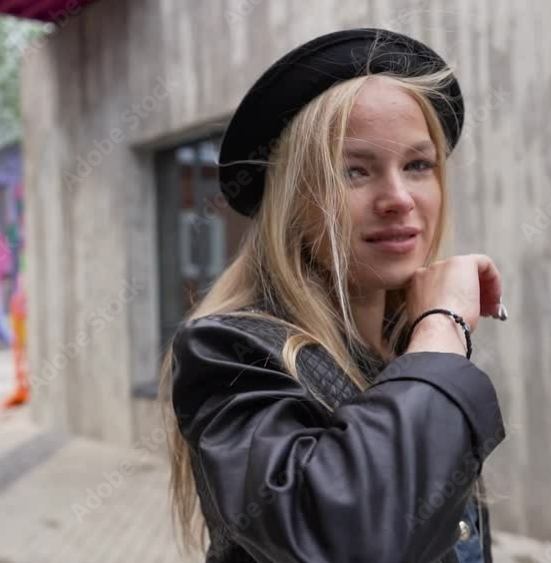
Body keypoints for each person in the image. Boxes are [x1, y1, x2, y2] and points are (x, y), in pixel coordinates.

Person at [160, 28, 509, 563]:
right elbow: (351, 540)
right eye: (354, 171)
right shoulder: (228, 353)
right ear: (291, 202)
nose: (398, 198)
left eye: (418, 165)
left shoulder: (410, 344)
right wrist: (443, 327)